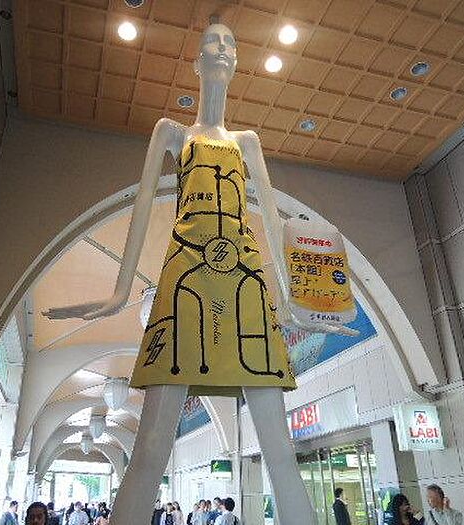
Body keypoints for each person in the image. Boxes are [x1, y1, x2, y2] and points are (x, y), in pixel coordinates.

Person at [44, 21, 315, 525]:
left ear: (237, 62)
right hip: (184, 271)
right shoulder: (172, 133)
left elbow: (274, 222)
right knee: (150, 448)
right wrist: (120, 291)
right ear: (196, 61)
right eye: (213, 42)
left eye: (231, 43)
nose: (223, 49)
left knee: (280, 449)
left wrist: (296, 299)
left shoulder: (248, 141)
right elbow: (142, 205)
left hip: (245, 277)